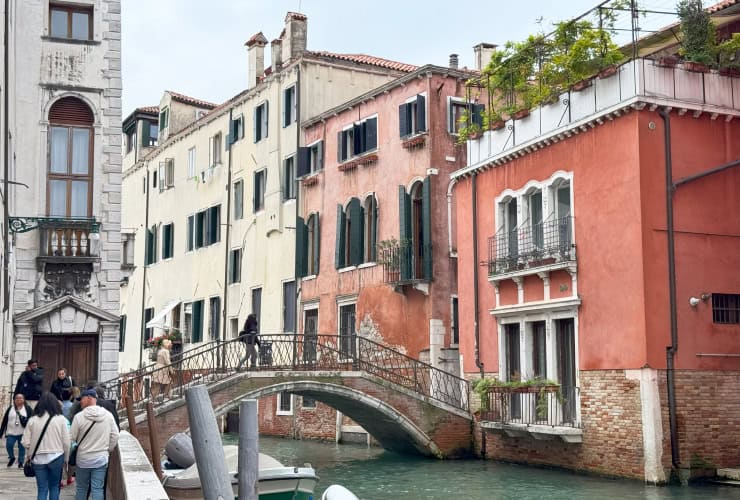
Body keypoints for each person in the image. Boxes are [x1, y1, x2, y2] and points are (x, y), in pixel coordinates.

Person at [70, 389, 118, 500]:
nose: (80, 401)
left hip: (83, 459)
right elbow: (115, 435)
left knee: (82, 488)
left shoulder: (79, 417)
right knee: (98, 489)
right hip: (101, 458)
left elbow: (71, 438)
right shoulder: (108, 415)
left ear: (89, 398)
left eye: (81, 399)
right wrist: (108, 449)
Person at [22, 392, 70, 500]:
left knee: (42, 488)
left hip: (38, 458)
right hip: (57, 456)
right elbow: (66, 442)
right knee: (54, 487)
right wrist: (66, 459)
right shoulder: (61, 419)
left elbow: (25, 442)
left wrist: (30, 453)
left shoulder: (32, 420)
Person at [0, 393, 32, 467]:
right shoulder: (10, 408)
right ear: (14, 400)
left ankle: (21, 462)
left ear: (24, 400)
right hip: (11, 432)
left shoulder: (27, 409)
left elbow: (31, 420)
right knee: (9, 445)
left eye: (21, 398)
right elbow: (5, 420)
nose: (19, 399)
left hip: (23, 432)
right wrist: (1, 432)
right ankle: (12, 457)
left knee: (22, 448)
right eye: (17, 398)